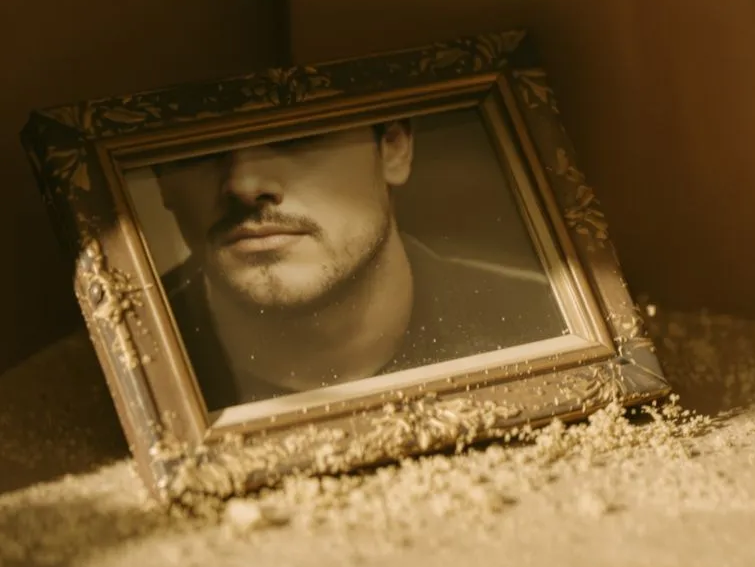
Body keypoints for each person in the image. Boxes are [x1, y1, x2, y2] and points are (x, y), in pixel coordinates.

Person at [151, 118, 566, 410]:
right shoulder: (124, 380)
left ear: (394, 147)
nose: (243, 184)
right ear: (159, 180)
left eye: (296, 133)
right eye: (195, 147)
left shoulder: (558, 326)